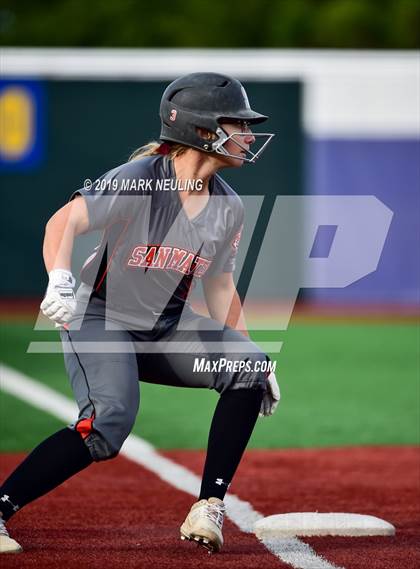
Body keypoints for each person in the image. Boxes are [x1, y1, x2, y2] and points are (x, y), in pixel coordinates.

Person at [0, 72, 280, 555]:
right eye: (240, 123)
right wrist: (60, 279)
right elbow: (62, 223)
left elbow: (218, 285)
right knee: (108, 423)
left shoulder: (227, 206)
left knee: (247, 368)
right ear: (203, 129)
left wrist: (254, 357)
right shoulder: (140, 178)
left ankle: (208, 506)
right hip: (99, 318)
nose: (250, 135)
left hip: (162, 328)